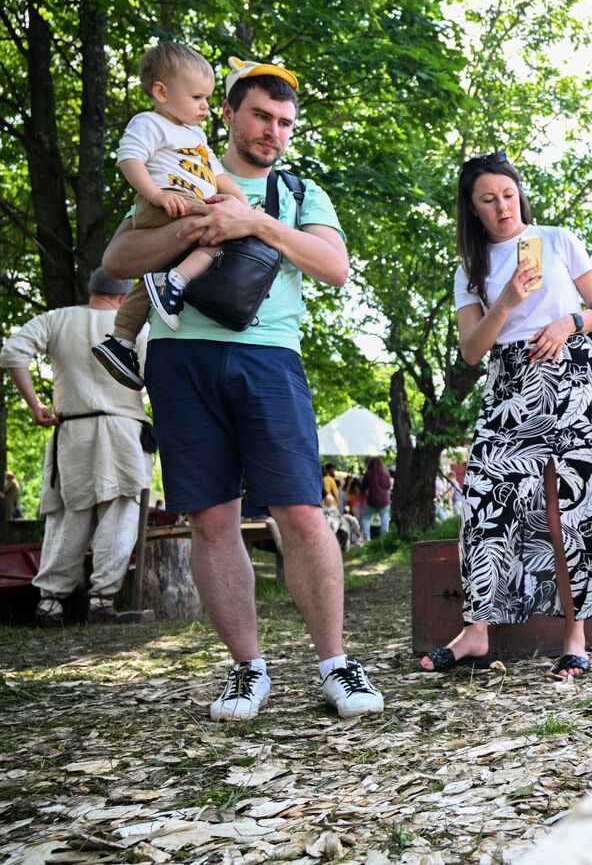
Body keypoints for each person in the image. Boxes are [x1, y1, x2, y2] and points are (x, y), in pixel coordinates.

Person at [101, 58, 382, 721]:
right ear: (226, 112)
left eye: (285, 122)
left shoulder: (301, 192)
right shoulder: (174, 166)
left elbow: (334, 267)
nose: (273, 131)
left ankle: (335, 665)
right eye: (260, 115)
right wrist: (196, 226)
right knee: (210, 517)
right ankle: (246, 670)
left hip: (269, 361)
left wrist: (252, 222)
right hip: (178, 357)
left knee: (302, 513)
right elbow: (116, 262)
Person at [419, 152, 592, 679]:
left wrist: (569, 323)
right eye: (489, 199)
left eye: (508, 194)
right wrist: (504, 302)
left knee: (572, 504)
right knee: (484, 498)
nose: (503, 206)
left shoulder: (557, 239)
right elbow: (470, 351)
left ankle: (576, 637)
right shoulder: (471, 268)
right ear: (473, 209)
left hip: (568, 372)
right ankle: (477, 632)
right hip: (508, 377)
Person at [91, 44, 251, 389]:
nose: (205, 106)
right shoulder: (150, 123)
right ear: (161, 92)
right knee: (221, 231)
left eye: (207, 98)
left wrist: (244, 206)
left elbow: (218, 176)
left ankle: (121, 339)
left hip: (185, 204)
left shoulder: (195, 135)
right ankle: (175, 280)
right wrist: (156, 195)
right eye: (197, 97)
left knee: (153, 276)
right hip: (166, 203)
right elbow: (129, 159)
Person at [1, 268, 155, 625]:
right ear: (123, 296)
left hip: (73, 431)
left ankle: (51, 604)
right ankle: (102, 602)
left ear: (93, 288)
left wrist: (35, 405)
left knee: (69, 517)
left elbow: (12, 352)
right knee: (119, 515)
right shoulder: (137, 326)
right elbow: (155, 378)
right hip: (123, 431)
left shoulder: (57, 319)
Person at [362, 456, 392, 539]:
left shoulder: (368, 473)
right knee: (385, 519)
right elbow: (388, 485)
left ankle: (367, 539)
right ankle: (384, 538)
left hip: (372, 500)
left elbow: (363, 487)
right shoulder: (385, 472)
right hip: (385, 500)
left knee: (365, 518)